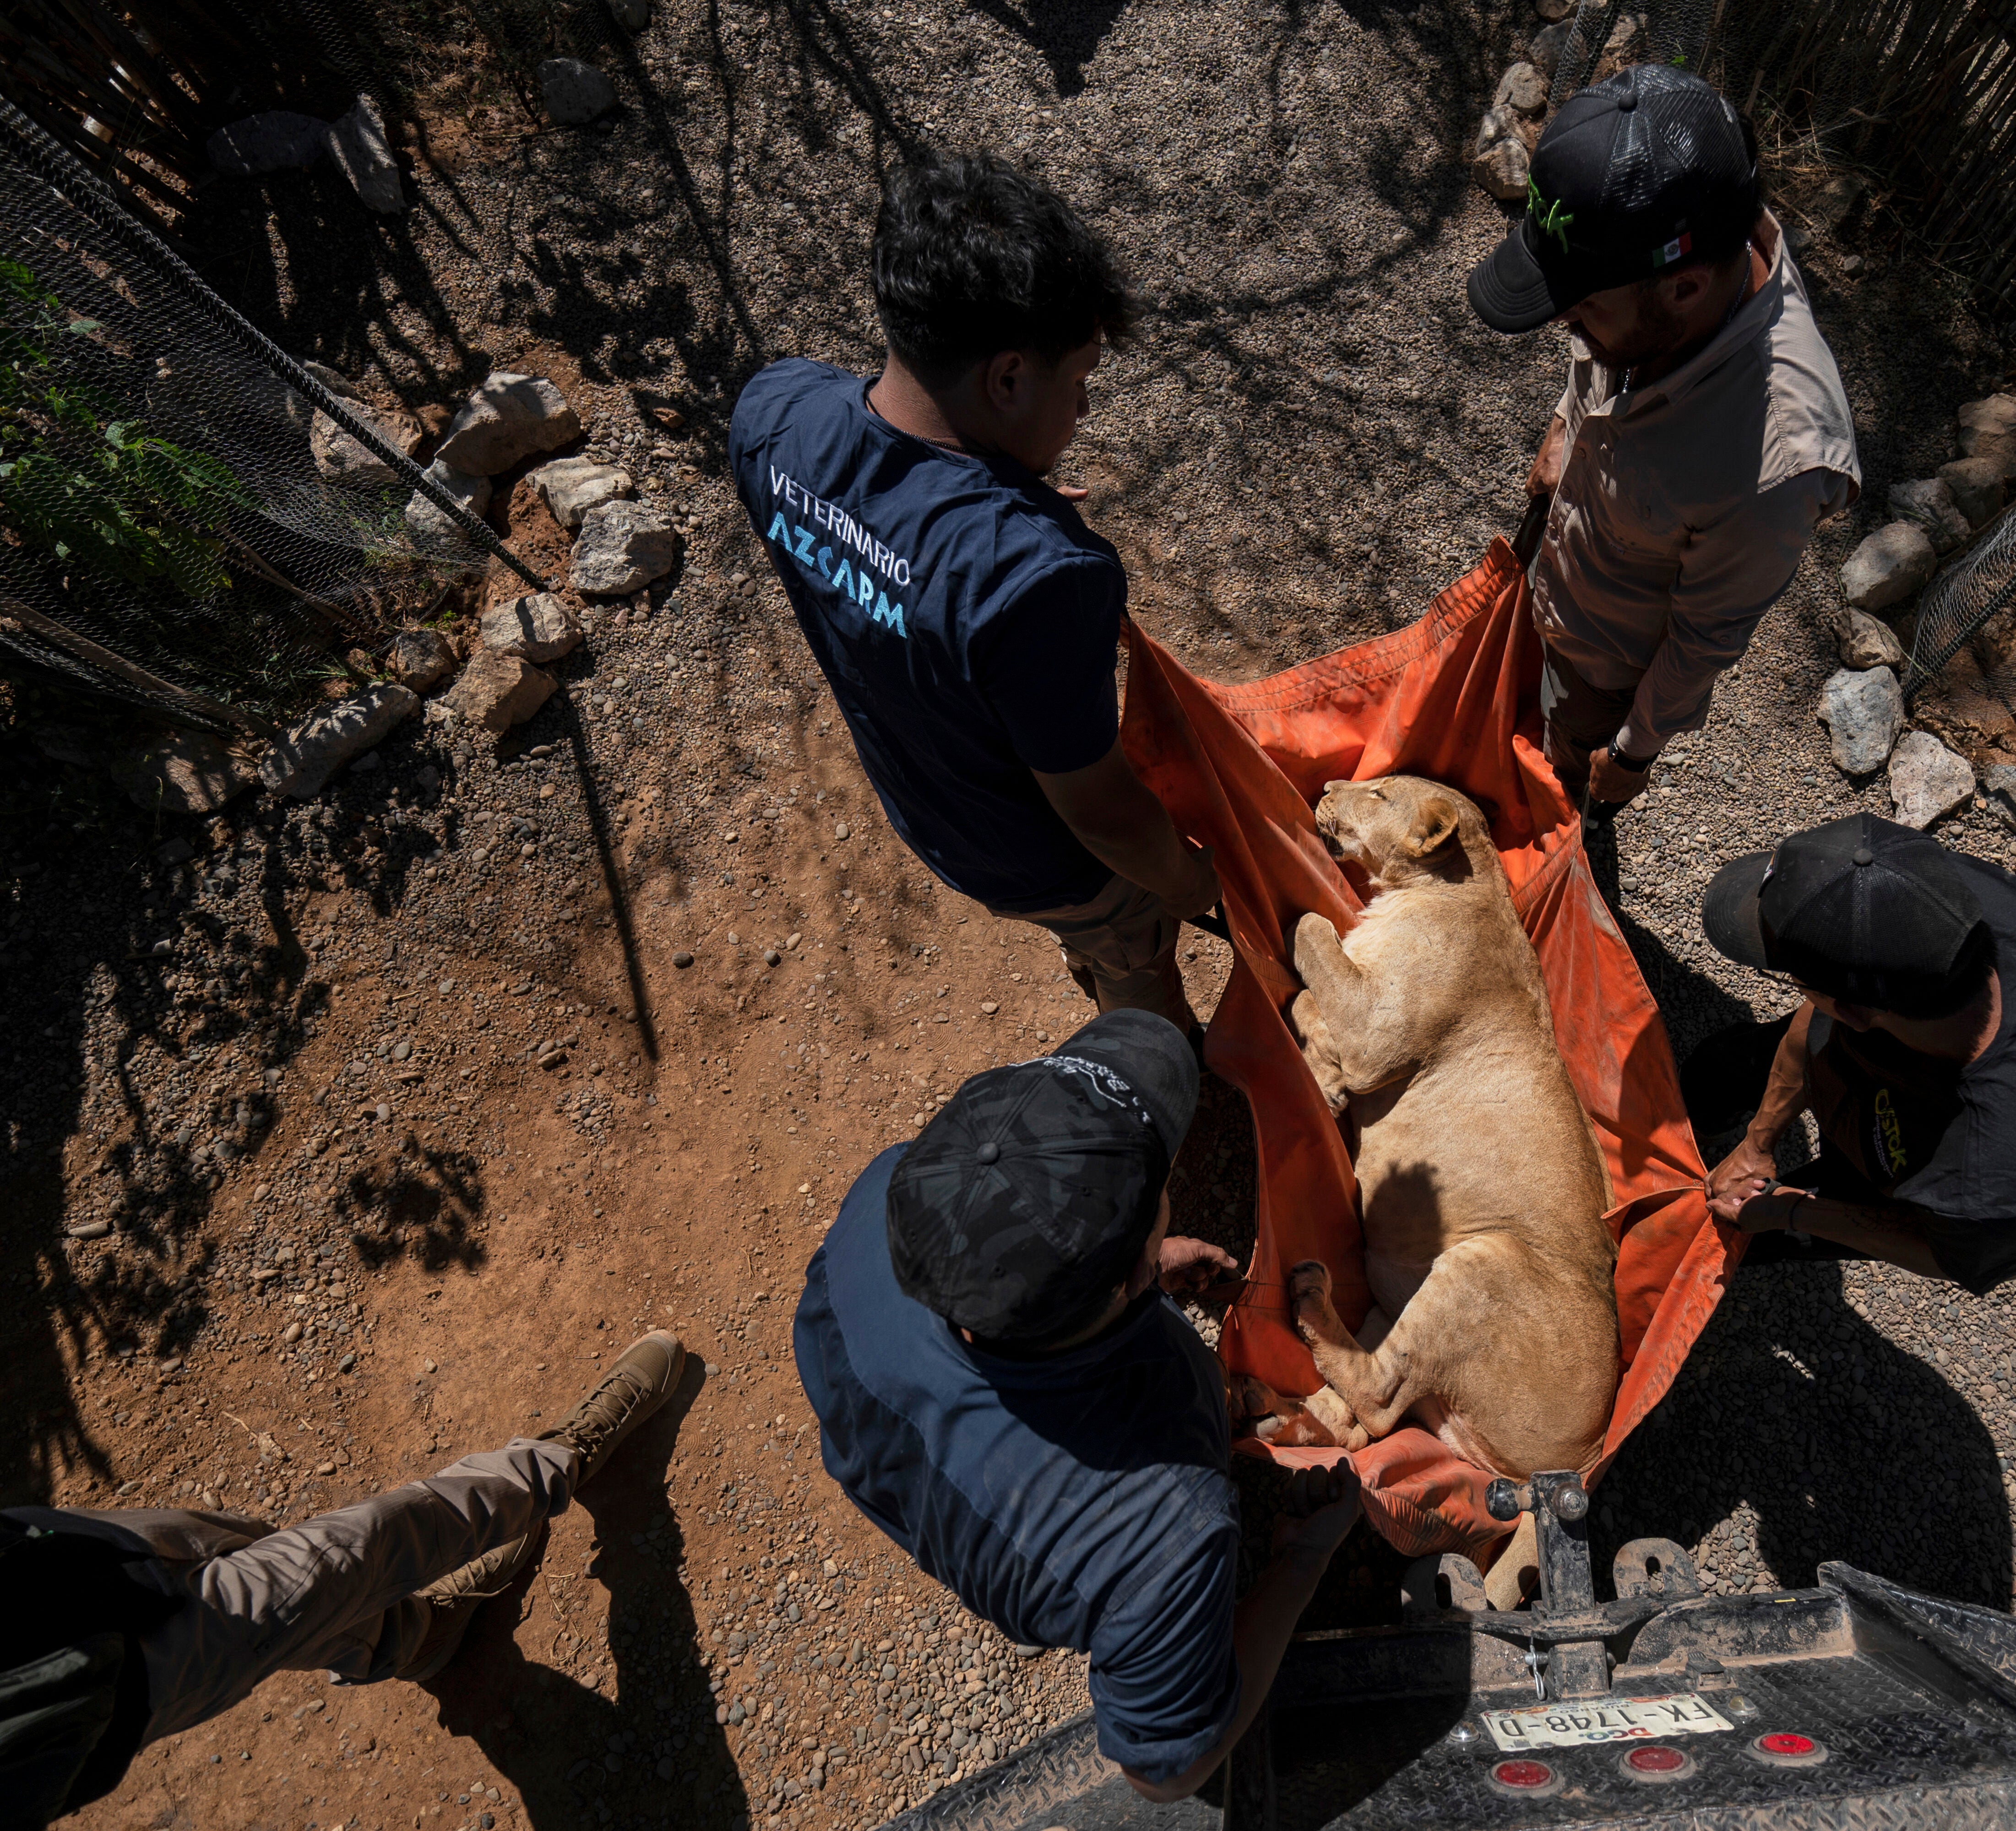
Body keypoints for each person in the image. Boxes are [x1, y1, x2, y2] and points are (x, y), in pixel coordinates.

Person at [793, 1010, 1359, 1802]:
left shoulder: (881, 1201)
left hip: (906, 1476)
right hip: (1082, 1552)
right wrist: (1302, 1557)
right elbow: (1167, 1771)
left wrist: (1135, 1263)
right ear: (1120, 1287)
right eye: (1153, 1211)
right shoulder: (1166, 1534)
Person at [729, 146, 1219, 1035]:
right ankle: (1157, 1072)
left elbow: (887, 538)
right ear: (1007, 377)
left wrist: (995, 511)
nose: (1083, 413)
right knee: (1131, 949)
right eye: (1080, 384)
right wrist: (1188, 883)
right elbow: (1104, 812)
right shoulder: (1038, 584)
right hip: (1057, 864)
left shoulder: (773, 416)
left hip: (937, 814)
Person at [2, 1332, 685, 1820]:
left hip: (40, 1557)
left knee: (237, 1544)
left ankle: (415, 1639)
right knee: (357, 1549)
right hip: (61, 1687)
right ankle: (560, 1461)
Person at [1465, 63, 1860, 816]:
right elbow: (1598, 351)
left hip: (1600, 670)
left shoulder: (1775, 461)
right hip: (1553, 587)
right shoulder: (1660, 280)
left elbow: (1704, 637)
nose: (1564, 329)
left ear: (1683, 288)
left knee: (1554, 790)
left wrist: (1632, 750)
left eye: (1579, 314)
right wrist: (1566, 421)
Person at [1691, 814, 2016, 1292]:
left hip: (1925, 1164)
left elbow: (1943, 1251)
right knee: (1727, 1067)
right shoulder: (1926, 891)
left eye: (1795, 975)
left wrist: (1791, 1209)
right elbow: (1821, 1004)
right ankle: (1700, 1127)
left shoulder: (2007, 1179)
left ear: (1853, 1011)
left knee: (1745, 1233)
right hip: (1889, 1037)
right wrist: (1757, 1142)